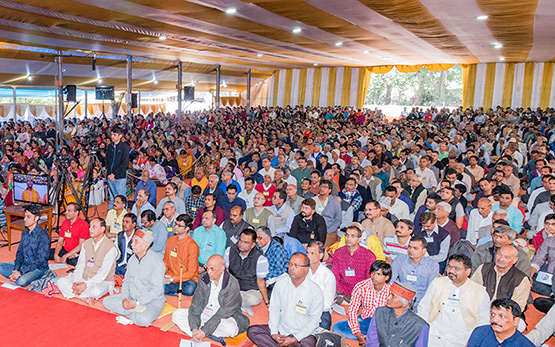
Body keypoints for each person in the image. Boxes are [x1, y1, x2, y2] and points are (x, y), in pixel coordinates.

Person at [247, 252, 324, 347]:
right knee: (253, 331)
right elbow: (274, 310)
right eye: (290, 264)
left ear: (306, 269)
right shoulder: (280, 284)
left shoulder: (315, 291)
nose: (291, 268)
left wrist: (295, 338)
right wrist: (274, 333)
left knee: (307, 345)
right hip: (282, 330)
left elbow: (314, 320)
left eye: (296, 265)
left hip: (302, 334)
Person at [172, 255, 249, 344]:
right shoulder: (204, 278)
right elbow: (196, 304)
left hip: (222, 318)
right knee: (177, 314)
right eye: (207, 268)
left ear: (222, 268)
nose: (209, 272)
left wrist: (204, 330)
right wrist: (194, 328)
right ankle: (203, 335)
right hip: (204, 314)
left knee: (230, 328)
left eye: (212, 269)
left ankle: (204, 332)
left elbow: (225, 312)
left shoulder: (232, 283)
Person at [417, 254, 490, 347]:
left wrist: (474, 340)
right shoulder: (437, 283)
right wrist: (424, 332)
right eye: (449, 267)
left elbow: (484, 321)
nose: (451, 271)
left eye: (457, 268)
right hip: (434, 336)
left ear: (468, 271)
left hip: (463, 340)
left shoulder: (479, 292)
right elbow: (423, 308)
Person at [103, 229, 166, 327]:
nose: (132, 244)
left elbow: (157, 290)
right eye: (132, 241)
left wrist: (137, 302)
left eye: (136, 241)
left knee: (143, 320)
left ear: (146, 245)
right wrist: (125, 298)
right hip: (131, 297)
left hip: (151, 301)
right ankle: (133, 310)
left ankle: (132, 310)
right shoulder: (132, 259)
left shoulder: (157, 262)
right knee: (106, 301)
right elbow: (126, 281)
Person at [56, 218, 117, 302]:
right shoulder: (86, 243)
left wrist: (86, 285)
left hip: (102, 281)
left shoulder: (110, 248)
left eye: (94, 227)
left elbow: (103, 273)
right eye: (90, 226)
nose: (90, 229)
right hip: (84, 278)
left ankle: (77, 293)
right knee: (60, 282)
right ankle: (83, 298)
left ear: (102, 229)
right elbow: (80, 265)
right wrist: (76, 282)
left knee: (95, 292)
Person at [333, 261, 392, 344]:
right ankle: (370, 337)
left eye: (378, 274)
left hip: (383, 324)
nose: (374, 277)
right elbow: (352, 311)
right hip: (365, 321)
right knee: (338, 327)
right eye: (373, 273)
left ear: (386, 277)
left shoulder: (392, 290)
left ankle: (373, 338)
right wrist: (357, 333)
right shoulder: (361, 286)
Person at [366, 282, 430, 347]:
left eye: (393, 296)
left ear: (405, 303)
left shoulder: (420, 325)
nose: (388, 298)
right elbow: (372, 342)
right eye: (389, 294)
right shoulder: (379, 313)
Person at [0, 205, 50, 287]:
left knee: (21, 282)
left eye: (28, 217)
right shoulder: (25, 232)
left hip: (38, 269)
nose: (25, 219)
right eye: (25, 216)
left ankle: (22, 276)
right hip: (25, 265)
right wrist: (16, 269)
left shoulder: (43, 236)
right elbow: (19, 253)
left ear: (36, 218)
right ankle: (17, 275)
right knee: (1, 266)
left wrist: (22, 272)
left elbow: (40, 260)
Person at [471, 245, 531, 311]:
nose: (501, 259)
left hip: (504, 315)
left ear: (514, 260)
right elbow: (472, 290)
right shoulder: (484, 268)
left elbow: (517, 307)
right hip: (480, 309)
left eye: (506, 257)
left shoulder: (521, 279)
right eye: (499, 254)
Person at [225, 229, 269, 315]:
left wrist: (267, 303)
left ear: (253, 244)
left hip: (251, 290)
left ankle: (233, 303)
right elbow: (226, 272)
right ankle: (240, 304)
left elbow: (261, 282)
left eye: (246, 242)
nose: (241, 244)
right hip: (234, 287)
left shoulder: (260, 259)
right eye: (240, 240)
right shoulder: (230, 250)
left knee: (254, 299)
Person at [332, 224, 377, 303]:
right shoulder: (339, 252)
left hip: (359, 291)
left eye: (353, 236)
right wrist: (333, 292)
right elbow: (335, 274)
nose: (349, 239)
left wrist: (363, 295)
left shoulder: (368, 255)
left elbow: (369, 278)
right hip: (342, 289)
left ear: (359, 239)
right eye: (347, 235)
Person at [391, 236, 439, 309]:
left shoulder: (432, 265)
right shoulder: (399, 260)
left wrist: (423, 306)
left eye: (415, 248)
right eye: (409, 247)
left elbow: (431, 290)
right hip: (401, 300)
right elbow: (391, 282)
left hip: (422, 302)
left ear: (424, 251)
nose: (411, 250)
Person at [467, 299, 534, 347]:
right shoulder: (479, 332)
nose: (495, 320)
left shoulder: (525, 345)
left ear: (515, 321)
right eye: (492, 314)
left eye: (502, 316)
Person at [163, 214, 199, 296]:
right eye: (175, 224)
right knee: (156, 282)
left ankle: (169, 290)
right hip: (170, 276)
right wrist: (162, 275)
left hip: (186, 279)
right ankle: (174, 291)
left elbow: (191, 273)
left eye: (179, 225)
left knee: (190, 289)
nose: (176, 227)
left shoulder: (192, 246)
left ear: (187, 228)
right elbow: (165, 261)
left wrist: (173, 279)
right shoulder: (170, 240)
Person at [306, 241, 336, 330]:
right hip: (302, 308)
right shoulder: (302, 270)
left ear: (321, 255)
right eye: (307, 252)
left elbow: (326, 305)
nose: (308, 256)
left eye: (312, 253)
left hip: (320, 311)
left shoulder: (328, 276)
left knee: (323, 328)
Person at [255, 226, 289, 302]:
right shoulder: (258, 246)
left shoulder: (277, 249)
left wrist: (262, 277)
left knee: (271, 296)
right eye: (256, 238)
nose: (257, 240)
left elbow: (280, 270)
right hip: (263, 276)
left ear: (268, 238)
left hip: (277, 278)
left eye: (260, 238)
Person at [50, 202, 89, 267]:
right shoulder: (65, 222)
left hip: (77, 252)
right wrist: (56, 254)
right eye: (66, 210)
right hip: (65, 250)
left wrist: (66, 256)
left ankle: (68, 258)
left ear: (76, 213)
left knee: (78, 263)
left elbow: (81, 246)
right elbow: (60, 241)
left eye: (69, 211)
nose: (66, 213)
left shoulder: (83, 224)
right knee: (46, 253)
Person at [105, 127, 130, 209]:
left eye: (114, 135)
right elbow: (107, 161)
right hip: (110, 177)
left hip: (119, 177)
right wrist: (109, 174)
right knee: (112, 199)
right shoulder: (110, 146)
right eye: (111, 134)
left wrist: (114, 174)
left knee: (121, 199)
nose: (112, 136)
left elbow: (124, 163)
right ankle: (111, 218)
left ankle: (123, 217)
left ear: (120, 136)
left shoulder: (124, 147)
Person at [315, 179, 342, 247]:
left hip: (329, 230)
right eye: (320, 186)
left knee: (322, 247)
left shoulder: (334, 202)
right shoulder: (313, 200)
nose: (322, 188)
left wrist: (329, 230)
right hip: (314, 229)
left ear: (329, 190)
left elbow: (338, 219)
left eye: (325, 187)